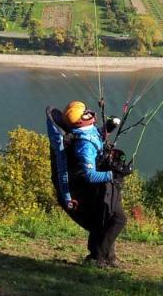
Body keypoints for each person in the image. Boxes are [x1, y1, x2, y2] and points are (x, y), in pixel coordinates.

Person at [62, 100, 131, 268]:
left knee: (103, 219)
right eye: (85, 113)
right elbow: (90, 175)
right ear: (80, 120)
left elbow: (96, 135)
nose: (89, 113)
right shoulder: (84, 146)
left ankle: (108, 256)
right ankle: (97, 256)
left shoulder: (85, 131)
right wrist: (114, 174)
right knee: (118, 219)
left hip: (103, 185)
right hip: (98, 186)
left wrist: (108, 128)